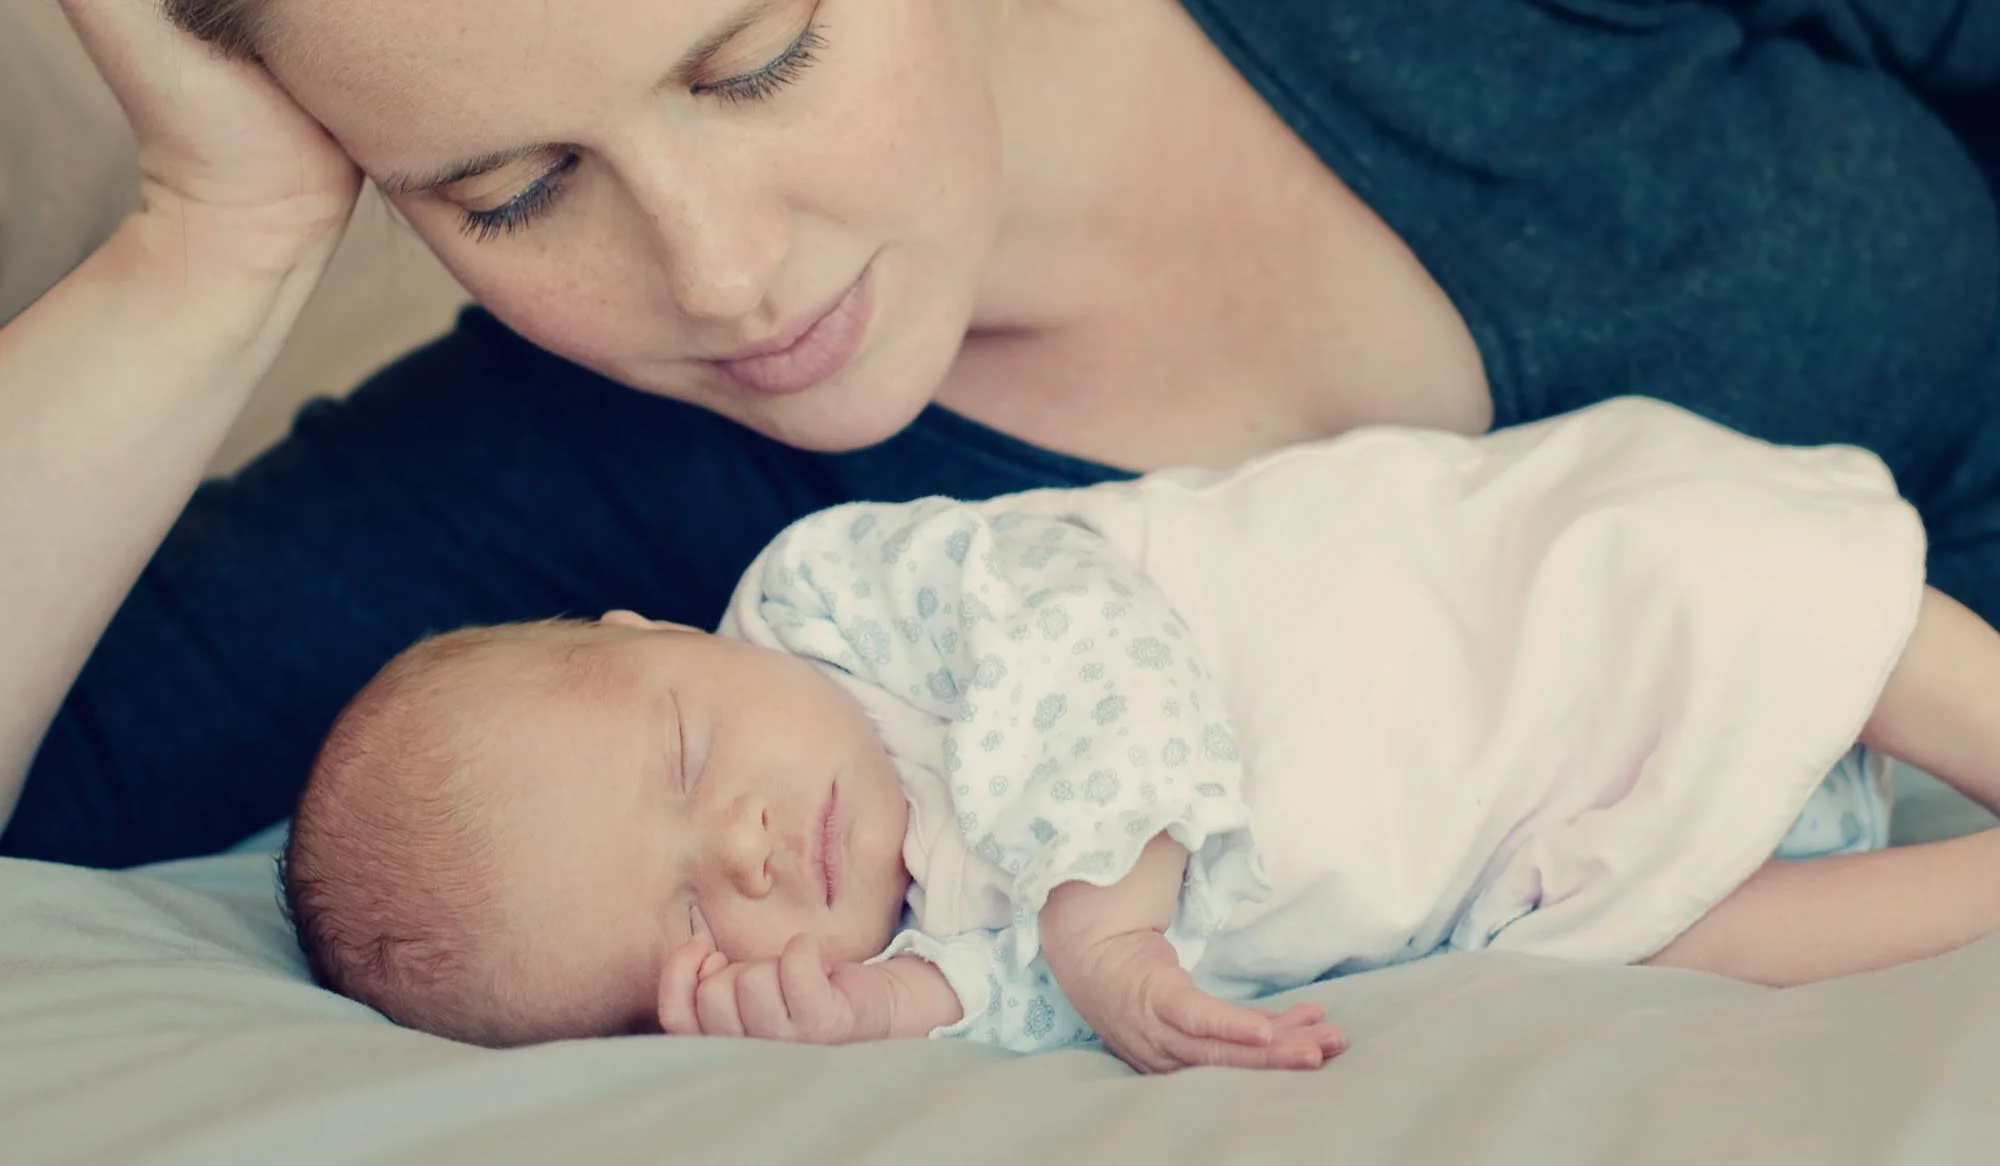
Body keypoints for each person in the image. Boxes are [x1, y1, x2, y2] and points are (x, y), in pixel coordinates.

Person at [6, 0, 2000, 871]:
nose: (715, 274)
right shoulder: (584, 484)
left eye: (757, 60)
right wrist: (213, 246)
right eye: (507, 192)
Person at [281, 398, 2000, 1075]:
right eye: (675, 929)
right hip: (1493, 852)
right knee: (1679, 937)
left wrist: (1104, 913)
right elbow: (1035, 1000)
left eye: (676, 761)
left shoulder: (836, 607)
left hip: (1504, 609)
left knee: (1776, 600)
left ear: (650, 636)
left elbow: (1076, 621)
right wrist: (872, 1009)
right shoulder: (911, 941)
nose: (734, 846)